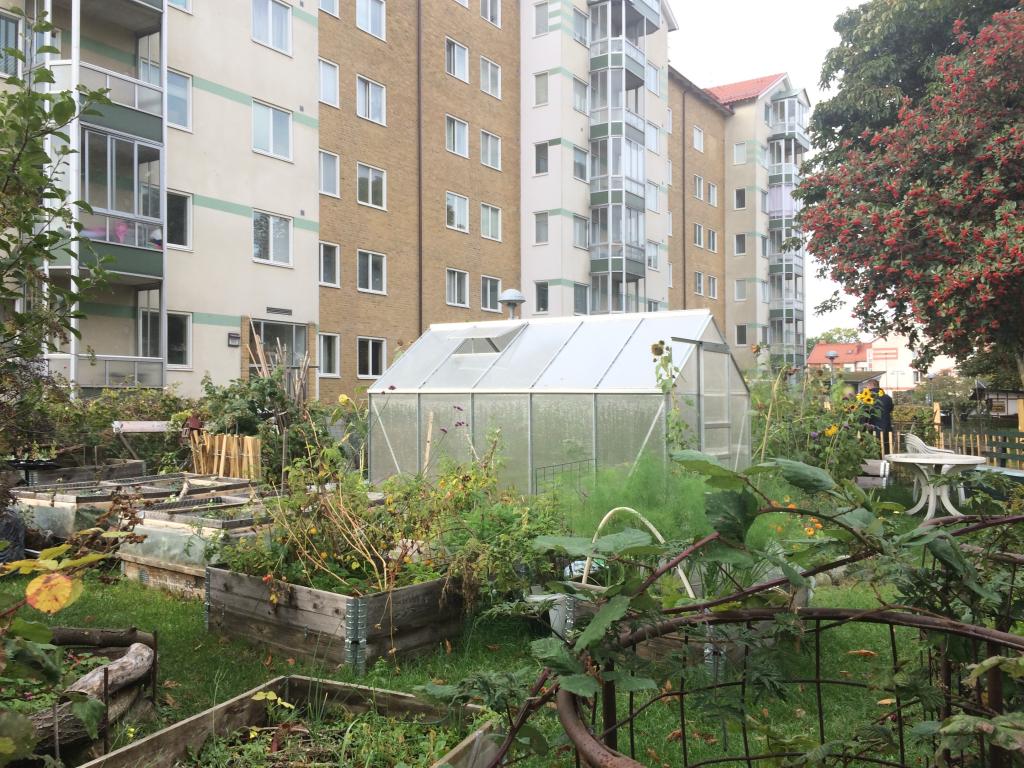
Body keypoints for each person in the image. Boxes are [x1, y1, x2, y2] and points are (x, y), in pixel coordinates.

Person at [862, 379, 894, 453]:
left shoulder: (867, 398)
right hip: (886, 428)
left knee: (874, 451)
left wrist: (863, 426)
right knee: (886, 450)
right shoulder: (888, 398)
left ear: (870, 385)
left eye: (866, 387)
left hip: (873, 429)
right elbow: (890, 409)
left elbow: (864, 414)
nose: (866, 389)